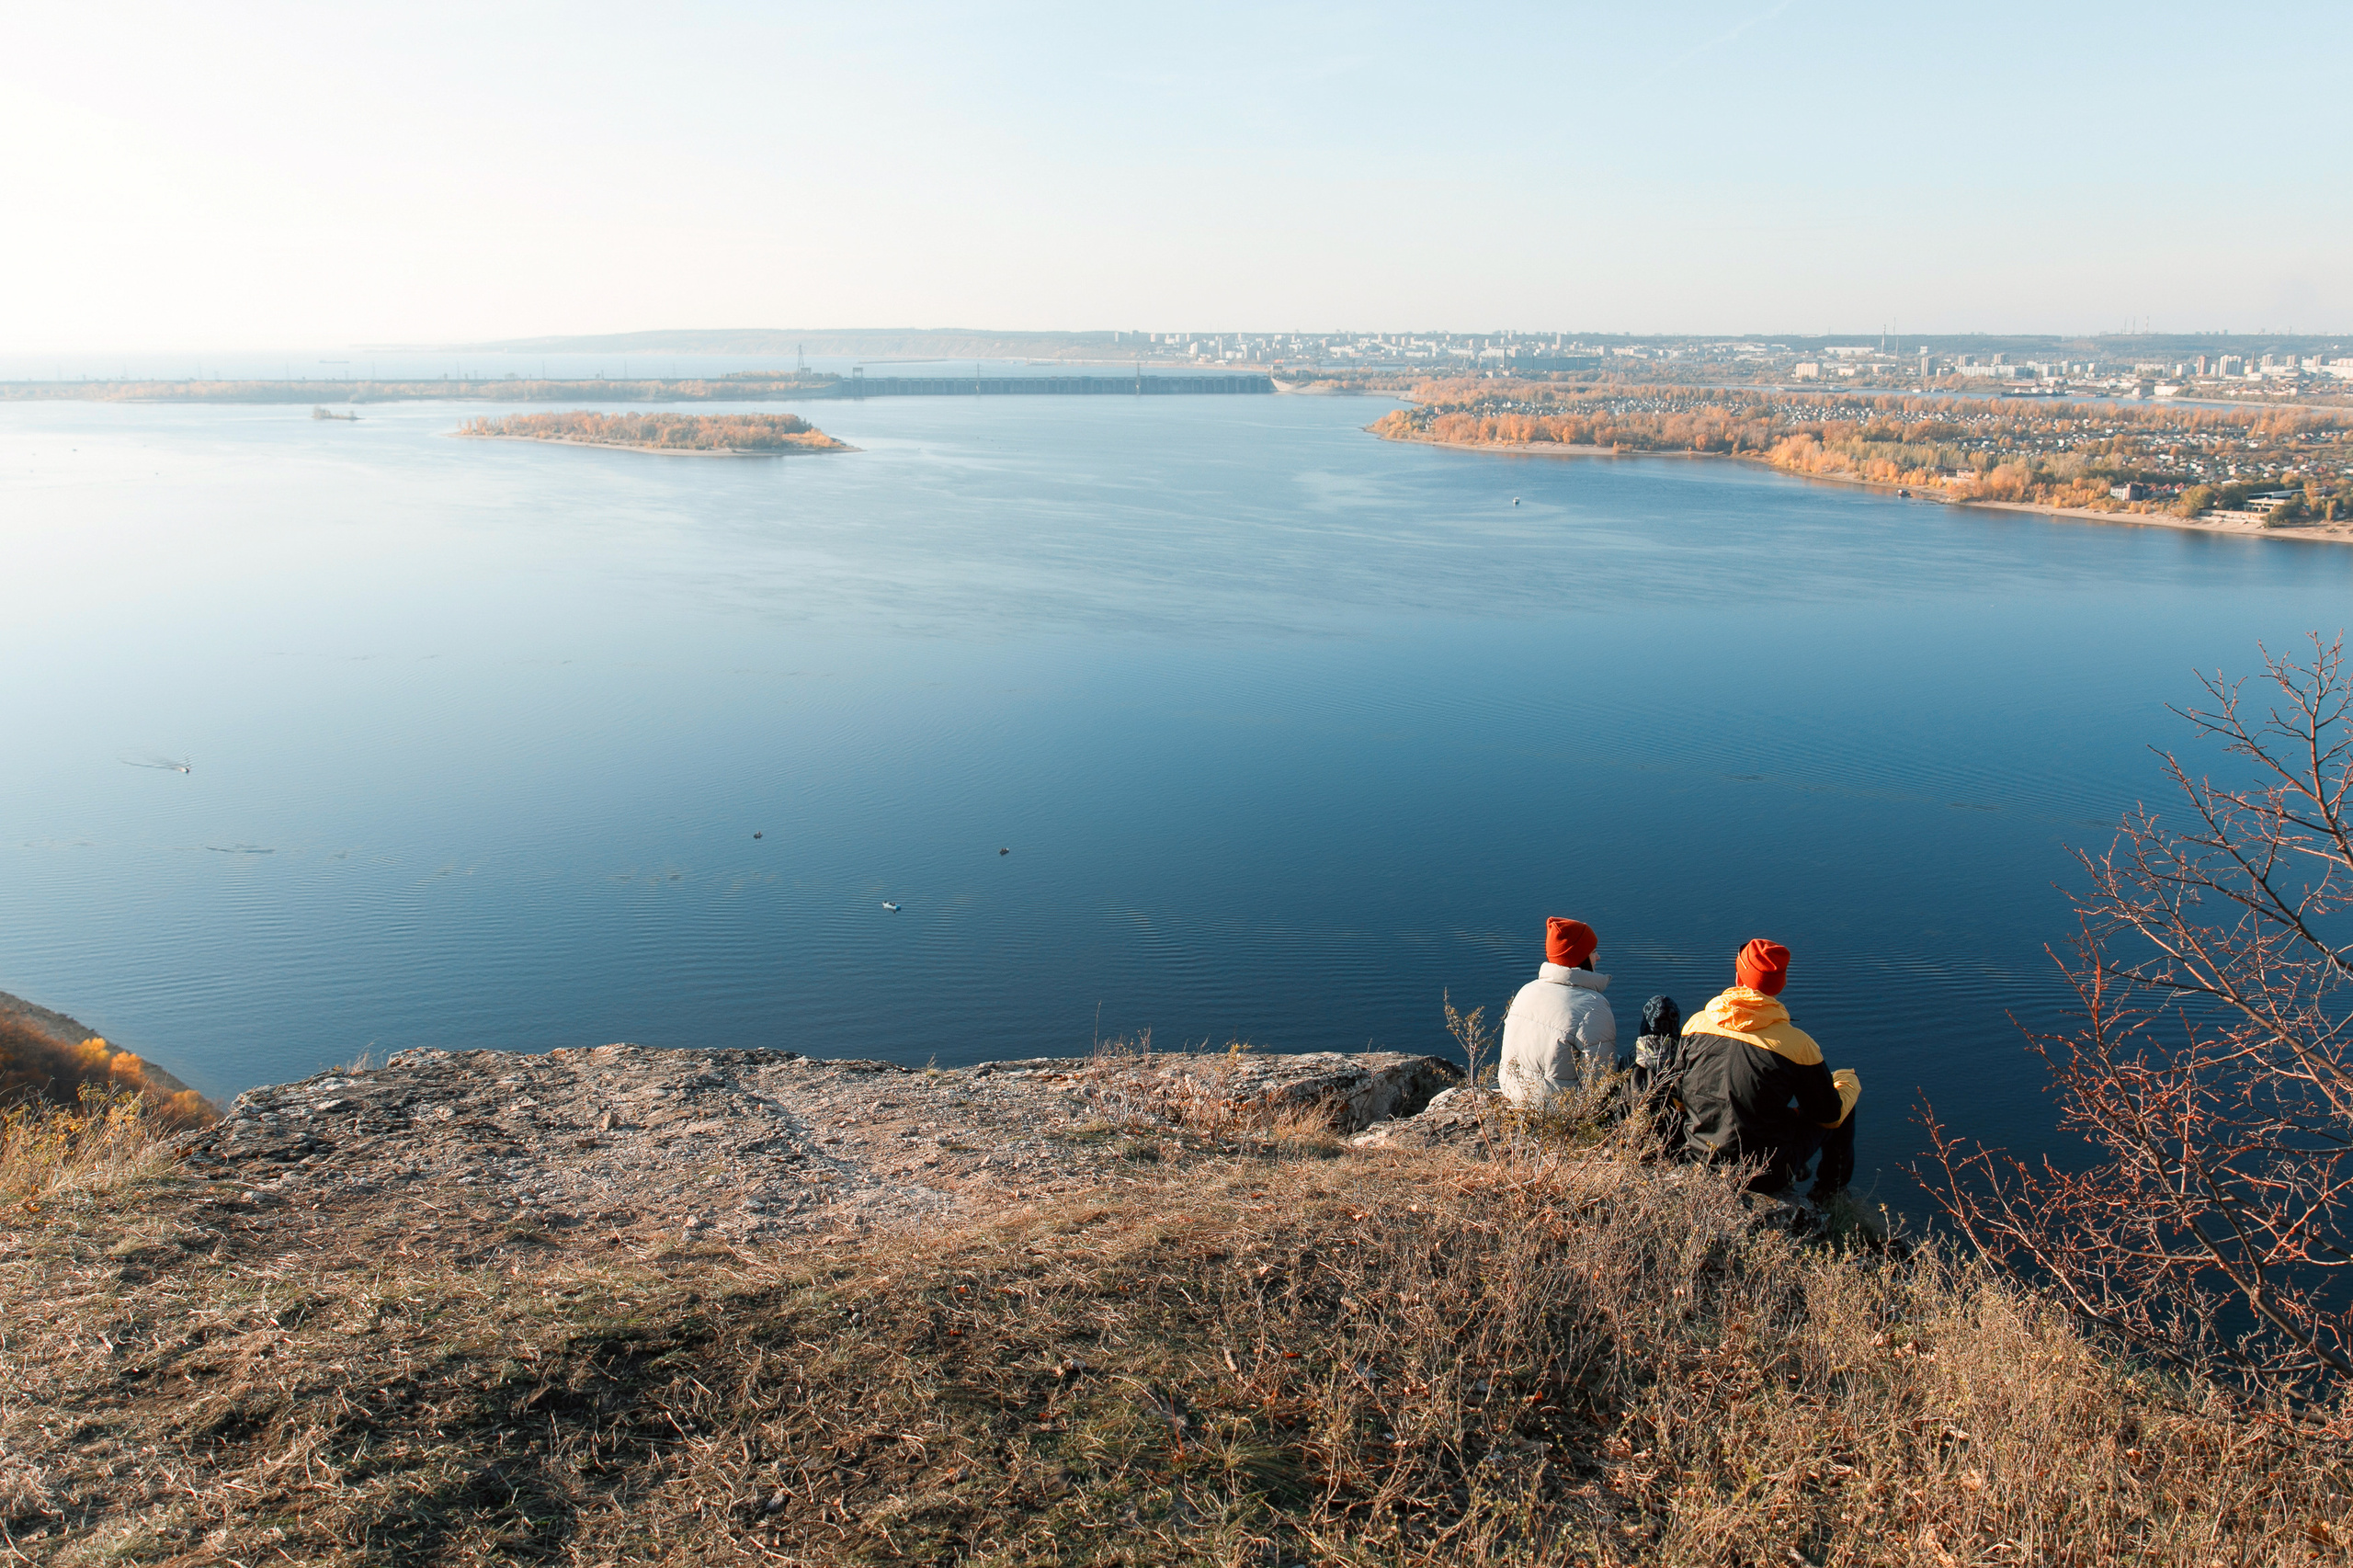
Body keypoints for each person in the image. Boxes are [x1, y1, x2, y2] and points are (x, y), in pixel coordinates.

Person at [1676, 939, 1859, 1199]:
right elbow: (1829, 1116)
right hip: (1763, 1175)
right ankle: (1831, 1193)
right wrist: (1846, 1081)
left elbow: (1678, 1096)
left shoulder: (1696, 1025)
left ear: (1739, 977)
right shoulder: (1796, 1045)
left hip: (1698, 1159)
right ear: (1780, 984)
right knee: (1843, 1092)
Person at [1498, 917, 1617, 1107]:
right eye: (1593, 952)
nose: (1598, 957)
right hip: (1558, 1109)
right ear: (1580, 958)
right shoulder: (1592, 1006)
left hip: (1512, 1092)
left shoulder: (1526, 991)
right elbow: (1598, 1085)